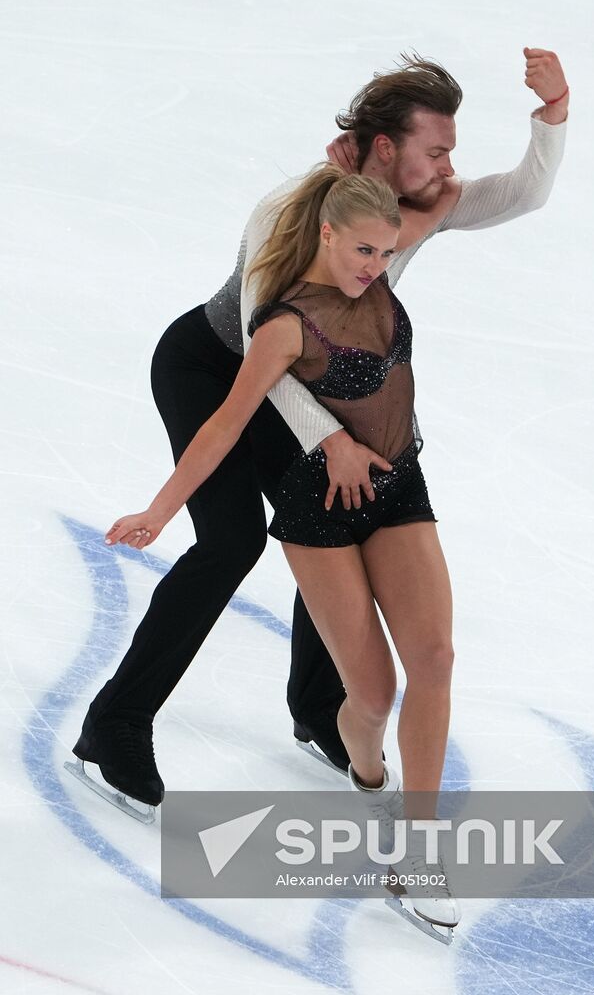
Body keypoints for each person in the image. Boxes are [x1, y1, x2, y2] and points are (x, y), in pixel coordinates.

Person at [70, 48, 569, 810]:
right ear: (384, 148)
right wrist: (328, 437)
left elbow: (522, 193)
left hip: (308, 384)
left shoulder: (419, 204)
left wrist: (554, 111)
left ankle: (316, 707)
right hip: (216, 367)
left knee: (337, 511)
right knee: (231, 542)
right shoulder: (293, 212)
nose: (446, 167)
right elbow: (261, 339)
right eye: (435, 150)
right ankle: (116, 723)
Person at [103, 167, 462, 936]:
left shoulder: (382, 269)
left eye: (385, 254)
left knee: (434, 659)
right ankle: (368, 777)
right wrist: (161, 511)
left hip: (399, 487)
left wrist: (548, 125)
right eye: (362, 250)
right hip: (322, 509)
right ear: (327, 234)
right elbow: (225, 426)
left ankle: (420, 855)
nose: (374, 268)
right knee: (370, 699)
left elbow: (466, 207)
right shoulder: (282, 324)